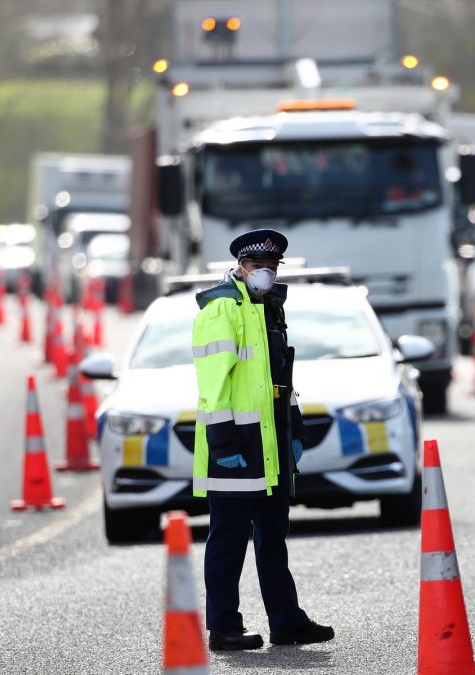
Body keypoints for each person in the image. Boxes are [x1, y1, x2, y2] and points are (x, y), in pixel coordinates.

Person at [191, 228, 334, 650]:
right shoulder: (222, 309)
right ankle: (223, 628)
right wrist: (223, 444)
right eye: (258, 266)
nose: (266, 273)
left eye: (272, 267)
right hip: (236, 443)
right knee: (228, 540)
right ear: (240, 266)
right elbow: (213, 385)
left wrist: (295, 424)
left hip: (269, 442)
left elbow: (277, 377)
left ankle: (286, 621)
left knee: (273, 538)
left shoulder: (269, 308)